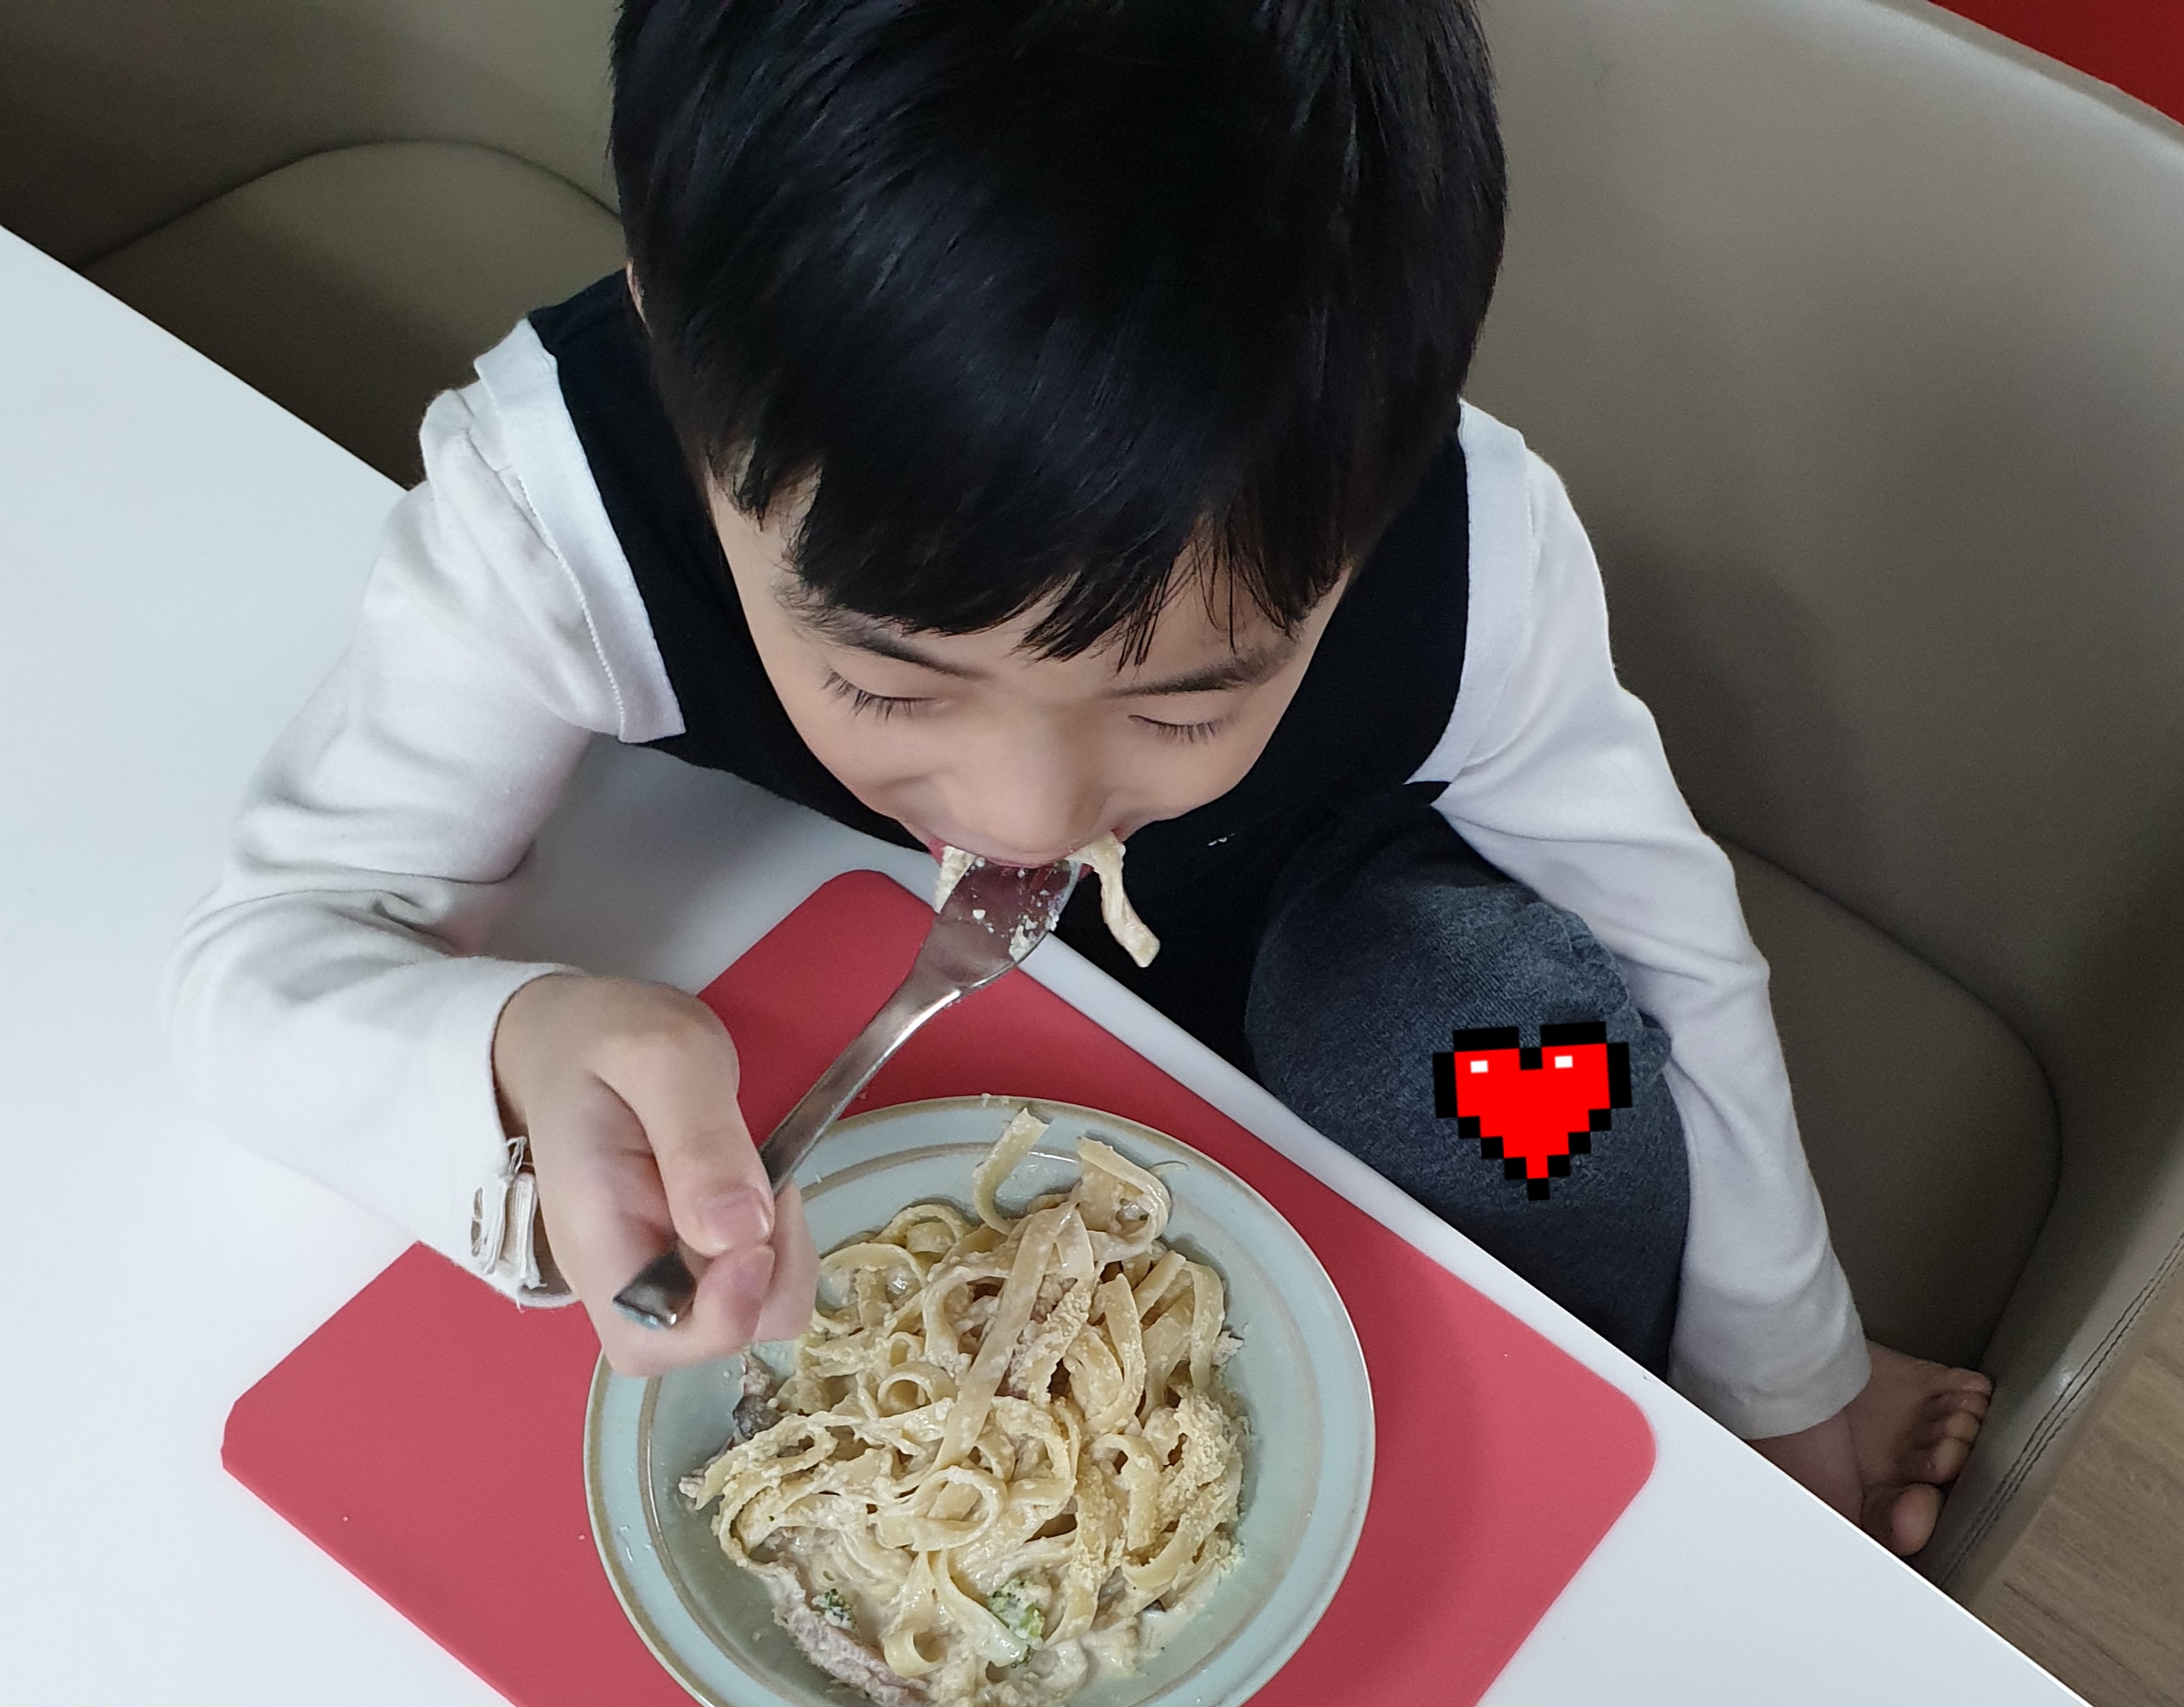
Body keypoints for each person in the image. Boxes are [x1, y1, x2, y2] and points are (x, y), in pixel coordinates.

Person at [167, 0, 1989, 1552]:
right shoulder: (550, 514)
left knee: (1525, 1070)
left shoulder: (1472, 554)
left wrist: (1780, 1373)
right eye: (888, 677)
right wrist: (510, 1054)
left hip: (1341, 952)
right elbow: (271, 954)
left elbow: (1668, 939)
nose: (1026, 818)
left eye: (1186, 702)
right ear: (672, 340)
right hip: (886, 1037)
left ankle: (1621, 1373)